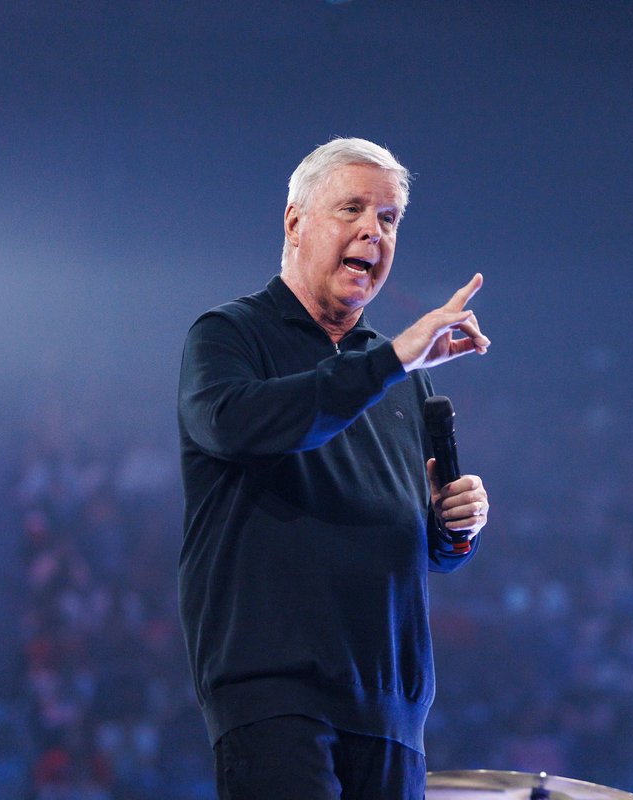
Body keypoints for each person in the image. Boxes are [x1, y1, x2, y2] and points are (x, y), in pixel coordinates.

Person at [177, 137, 491, 799]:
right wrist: (392, 361)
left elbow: (421, 539)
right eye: (353, 209)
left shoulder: (404, 375)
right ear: (295, 221)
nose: (373, 232)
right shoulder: (231, 336)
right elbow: (238, 424)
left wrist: (452, 527)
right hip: (276, 692)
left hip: (391, 707)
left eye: (388, 219)